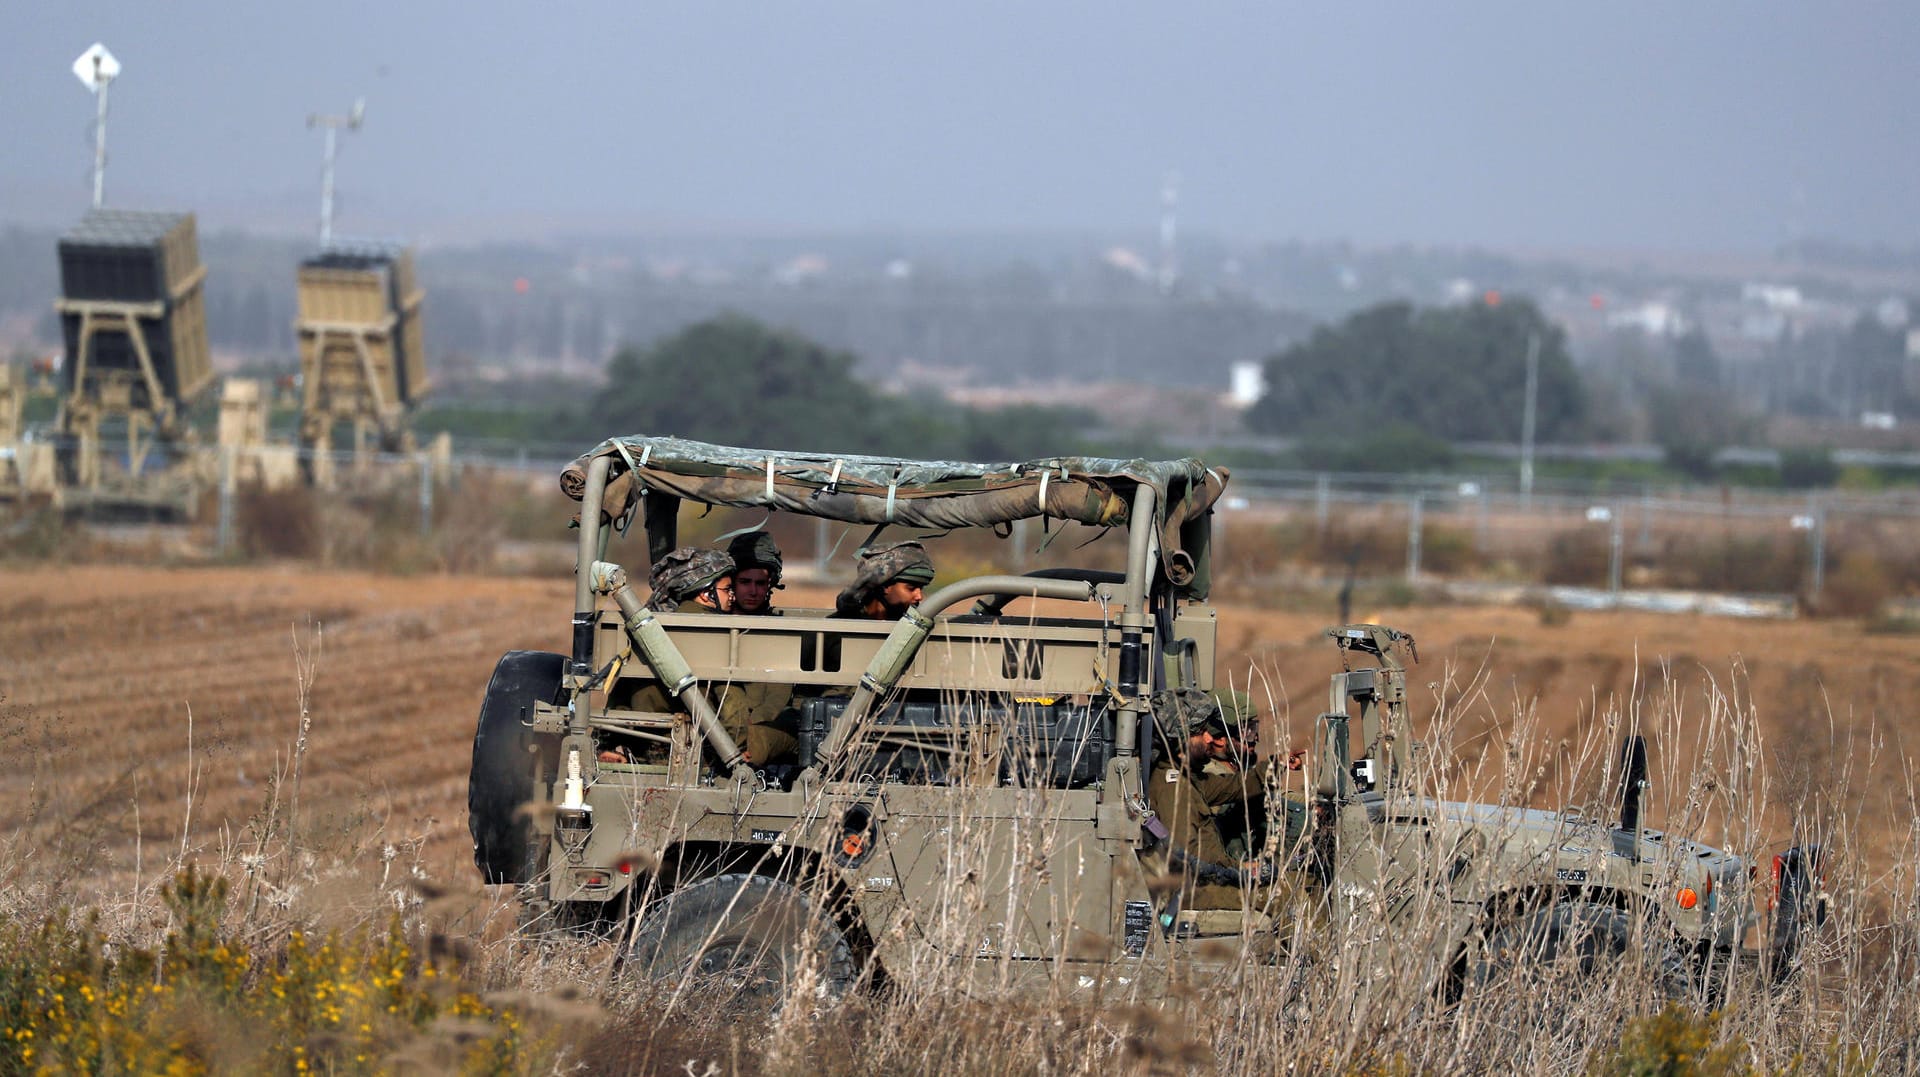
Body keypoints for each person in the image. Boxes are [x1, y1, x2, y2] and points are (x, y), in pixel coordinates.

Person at [1146, 688, 1305, 911]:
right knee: (1285, 897)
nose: (1210, 738)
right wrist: (1241, 868)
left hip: (1209, 880)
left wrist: (1276, 764)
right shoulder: (1172, 788)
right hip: (1194, 891)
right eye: (1201, 733)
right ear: (1181, 739)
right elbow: (1191, 855)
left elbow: (1233, 787)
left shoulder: (1185, 777)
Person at [833, 541, 936, 620]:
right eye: (911, 588)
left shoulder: (912, 629)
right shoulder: (836, 630)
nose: (919, 597)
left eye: (921, 588)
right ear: (884, 586)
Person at [726, 531, 784, 616]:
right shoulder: (710, 623)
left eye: (760, 583)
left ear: (769, 584)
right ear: (731, 582)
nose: (753, 592)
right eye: (745, 582)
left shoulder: (778, 626)